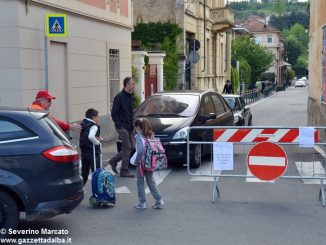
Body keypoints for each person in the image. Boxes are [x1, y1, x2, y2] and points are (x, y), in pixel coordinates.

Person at [132, 118, 164, 209]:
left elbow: (140, 151)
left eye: (136, 127)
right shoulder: (150, 134)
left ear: (138, 127)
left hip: (141, 163)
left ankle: (142, 202)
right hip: (150, 162)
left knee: (140, 182)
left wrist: (136, 161)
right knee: (151, 181)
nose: (135, 129)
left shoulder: (139, 137)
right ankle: (159, 199)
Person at [109, 77, 136, 178]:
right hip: (122, 127)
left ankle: (113, 161)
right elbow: (114, 113)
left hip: (130, 126)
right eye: (133, 84)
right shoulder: (119, 97)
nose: (134, 86)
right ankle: (124, 170)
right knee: (127, 147)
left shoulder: (130, 96)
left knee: (132, 146)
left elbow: (130, 112)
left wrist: (133, 124)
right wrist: (119, 126)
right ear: (127, 85)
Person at [79, 108, 102, 185]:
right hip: (93, 151)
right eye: (97, 117)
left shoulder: (83, 124)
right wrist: (97, 142)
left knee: (84, 171)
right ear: (93, 117)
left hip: (84, 151)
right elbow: (91, 136)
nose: (98, 118)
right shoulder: (94, 126)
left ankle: (81, 187)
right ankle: (97, 191)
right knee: (96, 171)